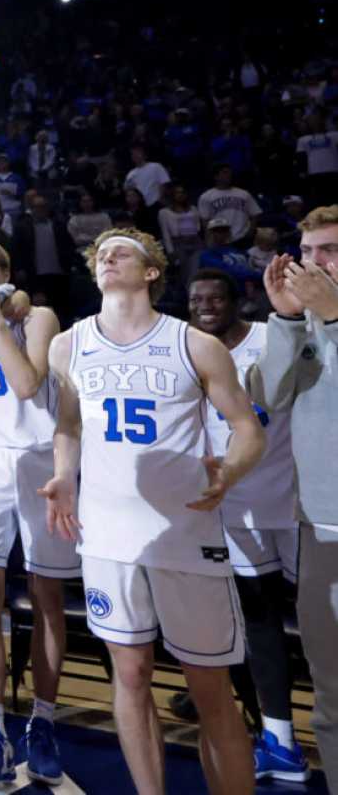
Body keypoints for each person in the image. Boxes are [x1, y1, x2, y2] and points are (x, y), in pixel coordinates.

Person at [40, 228, 264, 795]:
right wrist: (65, 475)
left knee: (210, 690)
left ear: (150, 273)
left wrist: (230, 472)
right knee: (130, 674)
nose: (108, 257)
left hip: (185, 534)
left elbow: (246, 428)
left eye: (122, 252)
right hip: (107, 536)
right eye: (100, 254)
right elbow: (69, 424)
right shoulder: (68, 344)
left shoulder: (194, 344)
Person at [0, 241, 75, 786]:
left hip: (37, 462)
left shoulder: (38, 316)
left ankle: (43, 722)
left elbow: (28, 384)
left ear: (7, 274)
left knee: (46, 595)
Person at [186, 269, 309, 782]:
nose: (206, 306)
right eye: (197, 300)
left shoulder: (269, 340)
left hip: (300, 504)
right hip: (235, 511)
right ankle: (279, 738)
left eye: (216, 298)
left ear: (239, 301)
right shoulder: (188, 352)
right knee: (255, 625)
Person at [258, 204, 338, 778]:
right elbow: (271, 395)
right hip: (322, 527)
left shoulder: (328, 317)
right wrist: (286, 319)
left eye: (330, 250)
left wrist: (333, 320)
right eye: (307, 252)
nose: (314, 263)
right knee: (332, 701)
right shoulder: (306, 321)